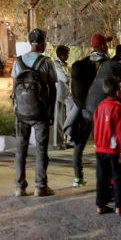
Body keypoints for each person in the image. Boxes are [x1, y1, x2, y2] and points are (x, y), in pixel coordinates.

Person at [70, 33, 121, 187]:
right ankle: (109, 179)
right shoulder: (111, 66)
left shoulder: (80, 65)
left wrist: (84, 107)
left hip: (86, 111)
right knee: (105, 145)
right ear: (104, 47)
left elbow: (74, 91)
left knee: (80, 143)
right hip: (105, 113)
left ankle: (78, 177)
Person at [12, 28, 57, 197]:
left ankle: (19, 187)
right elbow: (53, 89)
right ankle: (40, 186)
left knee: (20, 149)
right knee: (41, 149)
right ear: (43, 42)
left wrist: (16, 107)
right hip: (41, 113)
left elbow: (15, 86)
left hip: (21, 113)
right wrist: (51, 111)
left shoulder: (18, 62)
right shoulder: (46, 62)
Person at [94, 77, 121, 216]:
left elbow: (96, 127)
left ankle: (100, 205)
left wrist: (97, 144)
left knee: (101, 178)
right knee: (118, 177)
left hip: (100, 148)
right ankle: (119, 207)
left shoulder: (99, 107)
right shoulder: (119, 108)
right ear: (117, 92)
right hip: (114, 150)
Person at [53, 44, 71, 149]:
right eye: (67, 54)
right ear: (61, 54)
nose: (68, 55)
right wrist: (69, 77)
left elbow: (70, 76)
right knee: (59, 120)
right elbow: (64, 78)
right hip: (59, 95)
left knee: (66, 119)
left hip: (67, 95)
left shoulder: (66, 65)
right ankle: (58, 143)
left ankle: (66, 141)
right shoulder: (56, 64)